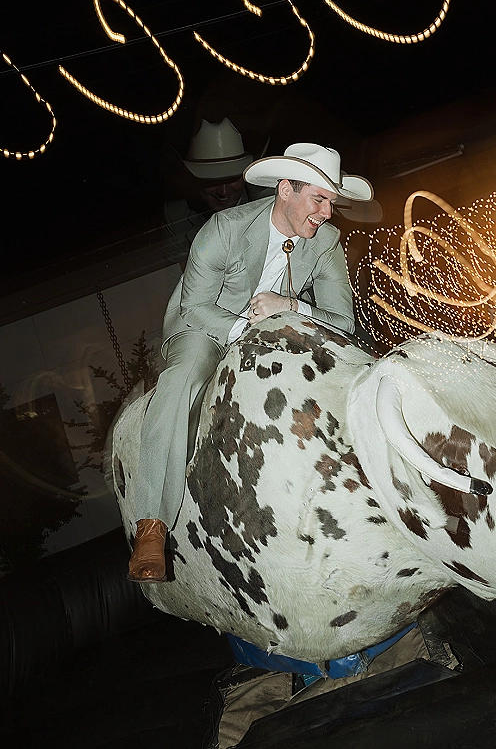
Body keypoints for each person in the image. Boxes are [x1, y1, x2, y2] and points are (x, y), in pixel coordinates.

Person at [127, 142, 374, 582]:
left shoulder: (328, 242)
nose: (327, 213)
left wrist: (292, 308)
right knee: (181, 379)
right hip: (206, 330)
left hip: (280, 328)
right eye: (319, 199)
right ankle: (151, 525)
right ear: (285, 191)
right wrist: (246, 329)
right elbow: (194, 308)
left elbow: (343, 322)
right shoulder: (224, 229)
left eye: (332, 203)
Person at [163, 117, 271, 264]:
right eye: (213, 181)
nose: (224, 192)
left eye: (232, 179)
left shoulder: (270, 205)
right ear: (194, 180)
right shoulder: (176, 217)